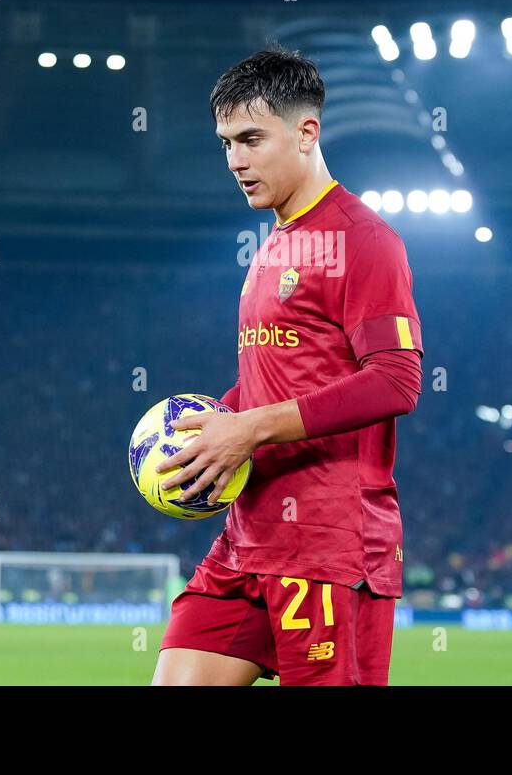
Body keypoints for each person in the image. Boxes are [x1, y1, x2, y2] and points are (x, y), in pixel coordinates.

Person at [152, 46, 424, 685]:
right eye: (225, 143)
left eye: (251, 139)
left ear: (307, 132)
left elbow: (396, 378)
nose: (236, 161)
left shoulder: (365, 239)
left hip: (327, 545)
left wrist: (246, 430)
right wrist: (208, 429)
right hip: (251, 533)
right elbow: (277, 375)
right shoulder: (276, 241)